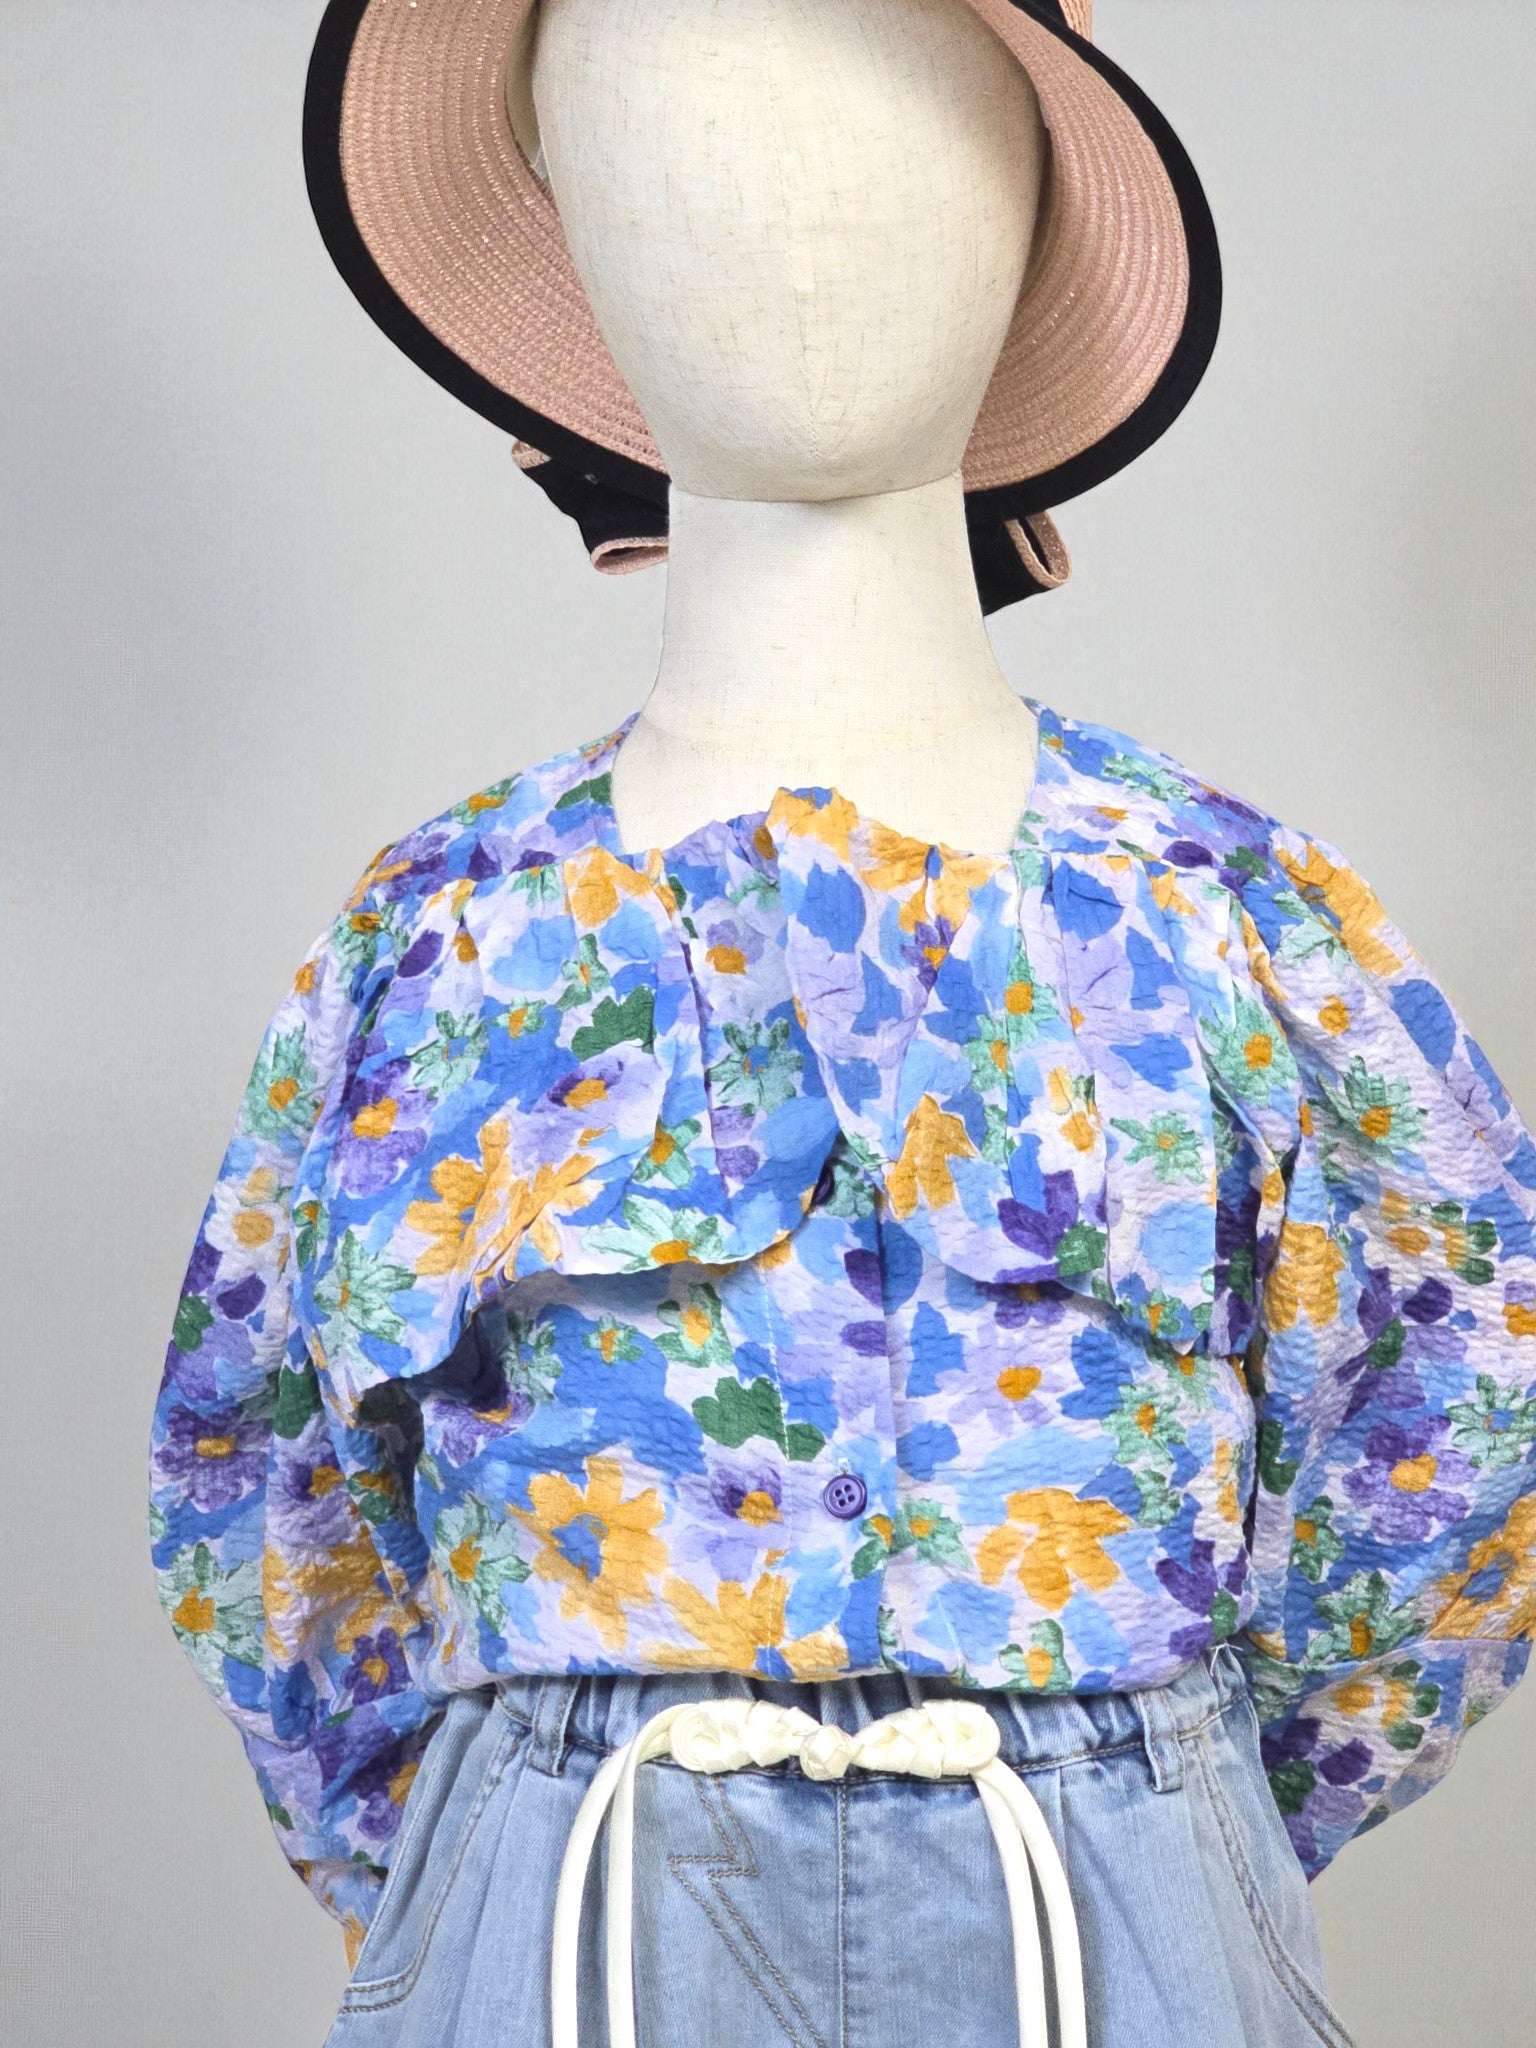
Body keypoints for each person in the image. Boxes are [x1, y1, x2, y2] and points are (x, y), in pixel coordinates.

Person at [150, 3, 1536, 2043]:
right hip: (569, 1886)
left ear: (1032, 206)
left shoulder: (1231, 911)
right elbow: (257, 1485)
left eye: (905, 118)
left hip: (1116, 1889)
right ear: (574, 247)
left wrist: (1187, 1817)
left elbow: (1455, 1443)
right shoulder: (444, 926)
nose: (791, 213)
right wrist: (468, 1850)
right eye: (663, 129)